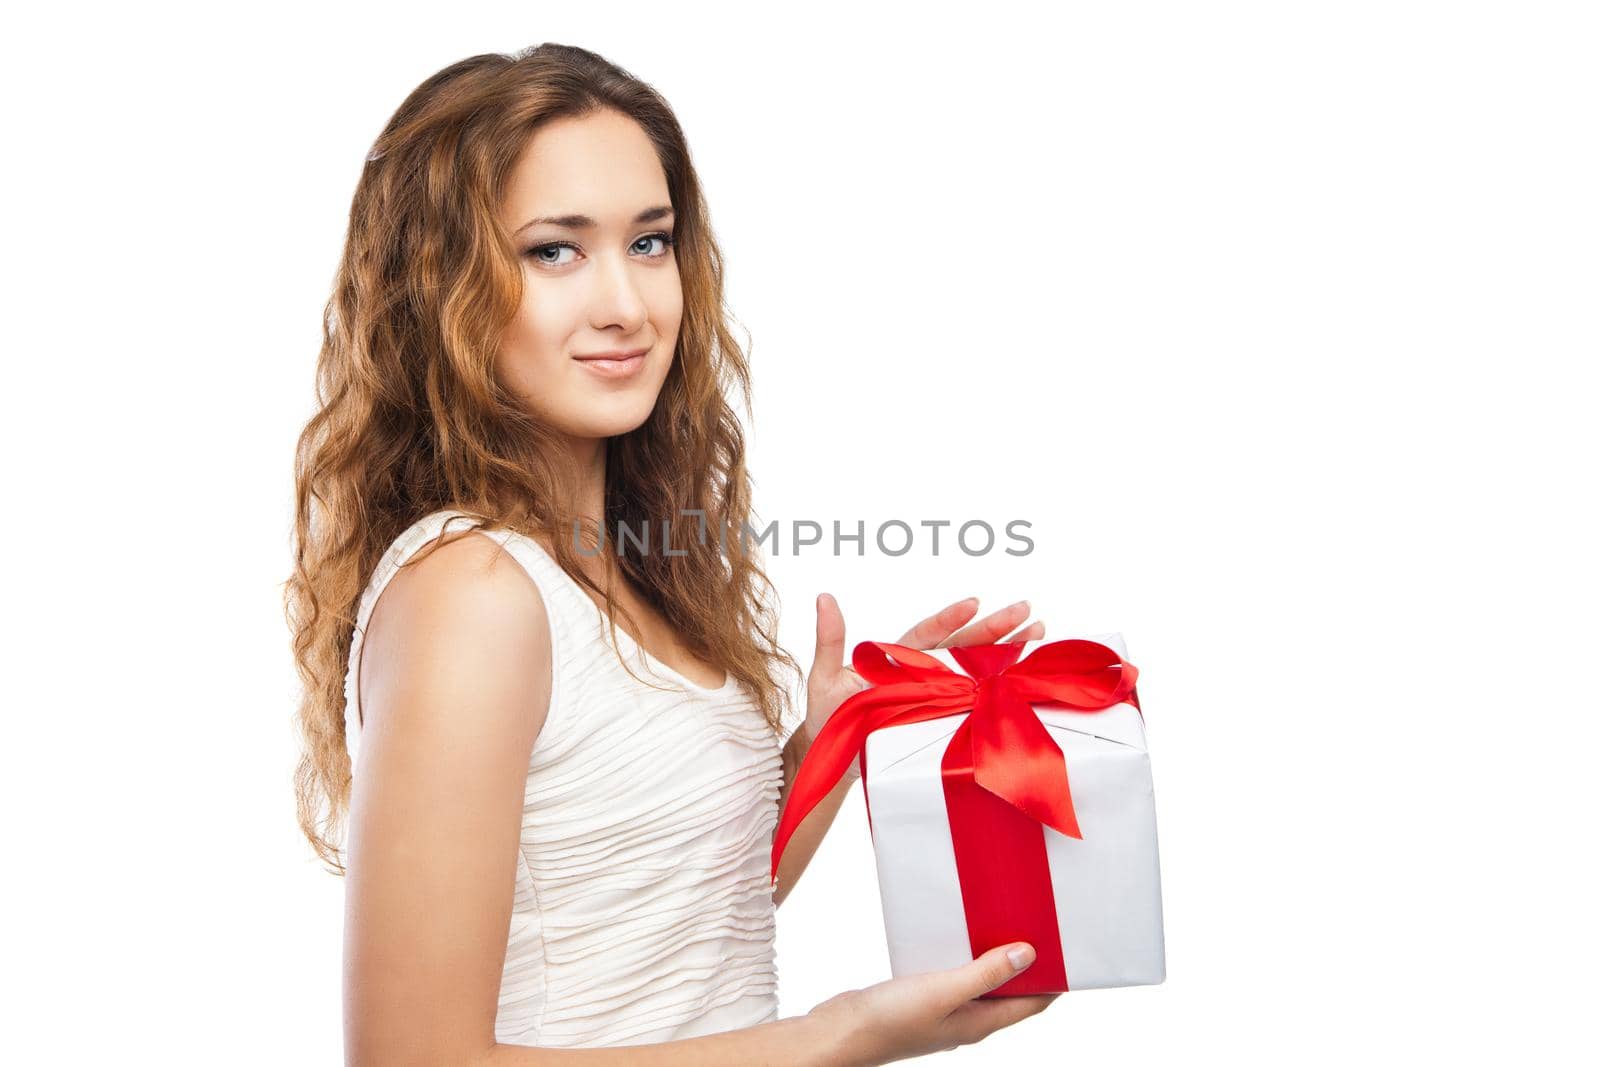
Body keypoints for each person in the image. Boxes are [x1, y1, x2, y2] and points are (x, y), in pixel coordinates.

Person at [285, 42, 1057, 1065]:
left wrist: (825, 742)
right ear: (436, 288)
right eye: (554, 251)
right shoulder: (472, 592)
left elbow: (663, 910)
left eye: (649, 243)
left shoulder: (615, 561)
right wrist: (835, 1033)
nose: (627, 306)